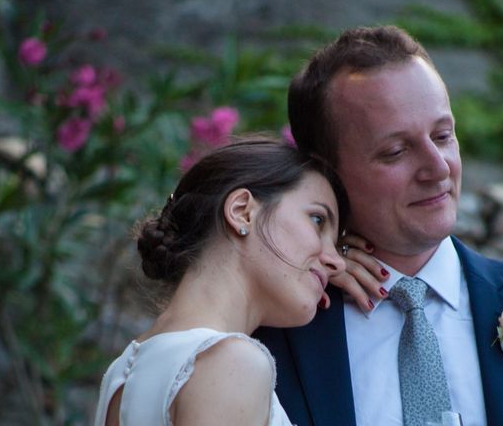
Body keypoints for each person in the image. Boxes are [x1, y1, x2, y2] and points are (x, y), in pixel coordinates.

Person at [255, 26, 503, 426]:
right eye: (395, 151)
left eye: (443, 135)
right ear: (325, 171)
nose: (438, 166)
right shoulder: (276, 327)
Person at [94, 138, 349, 426]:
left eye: (338, 245)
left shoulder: (121, 375)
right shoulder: (233, 362)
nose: (337, 262)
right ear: (242, 210)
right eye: (317, 220)